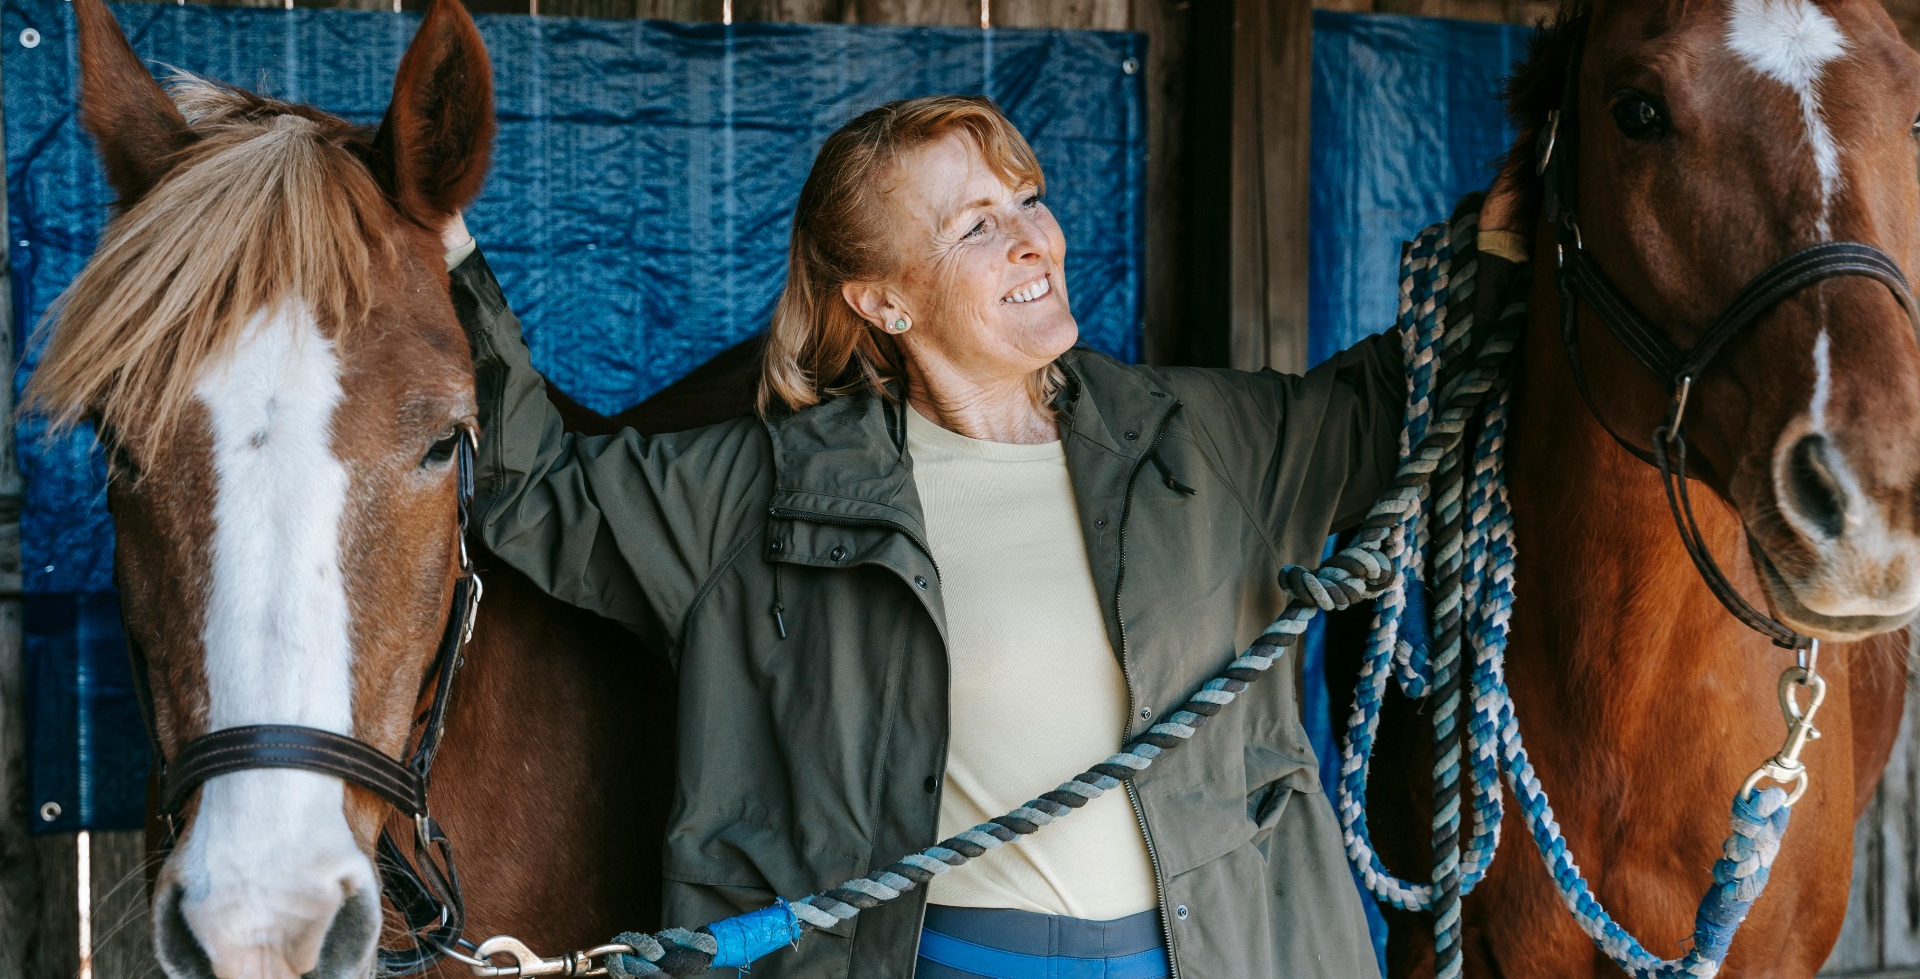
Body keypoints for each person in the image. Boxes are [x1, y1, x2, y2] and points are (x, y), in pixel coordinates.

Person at [441, 94, 1400, 978]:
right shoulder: (764, 495)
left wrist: (1509, 242)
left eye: (1028, 199)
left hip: (1216, 956)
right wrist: (442, 253)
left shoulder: (1210, 440)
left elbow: (1422, 398)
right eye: (976, 226)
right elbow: (538, 488)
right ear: (883, 302)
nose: (1032, 241)